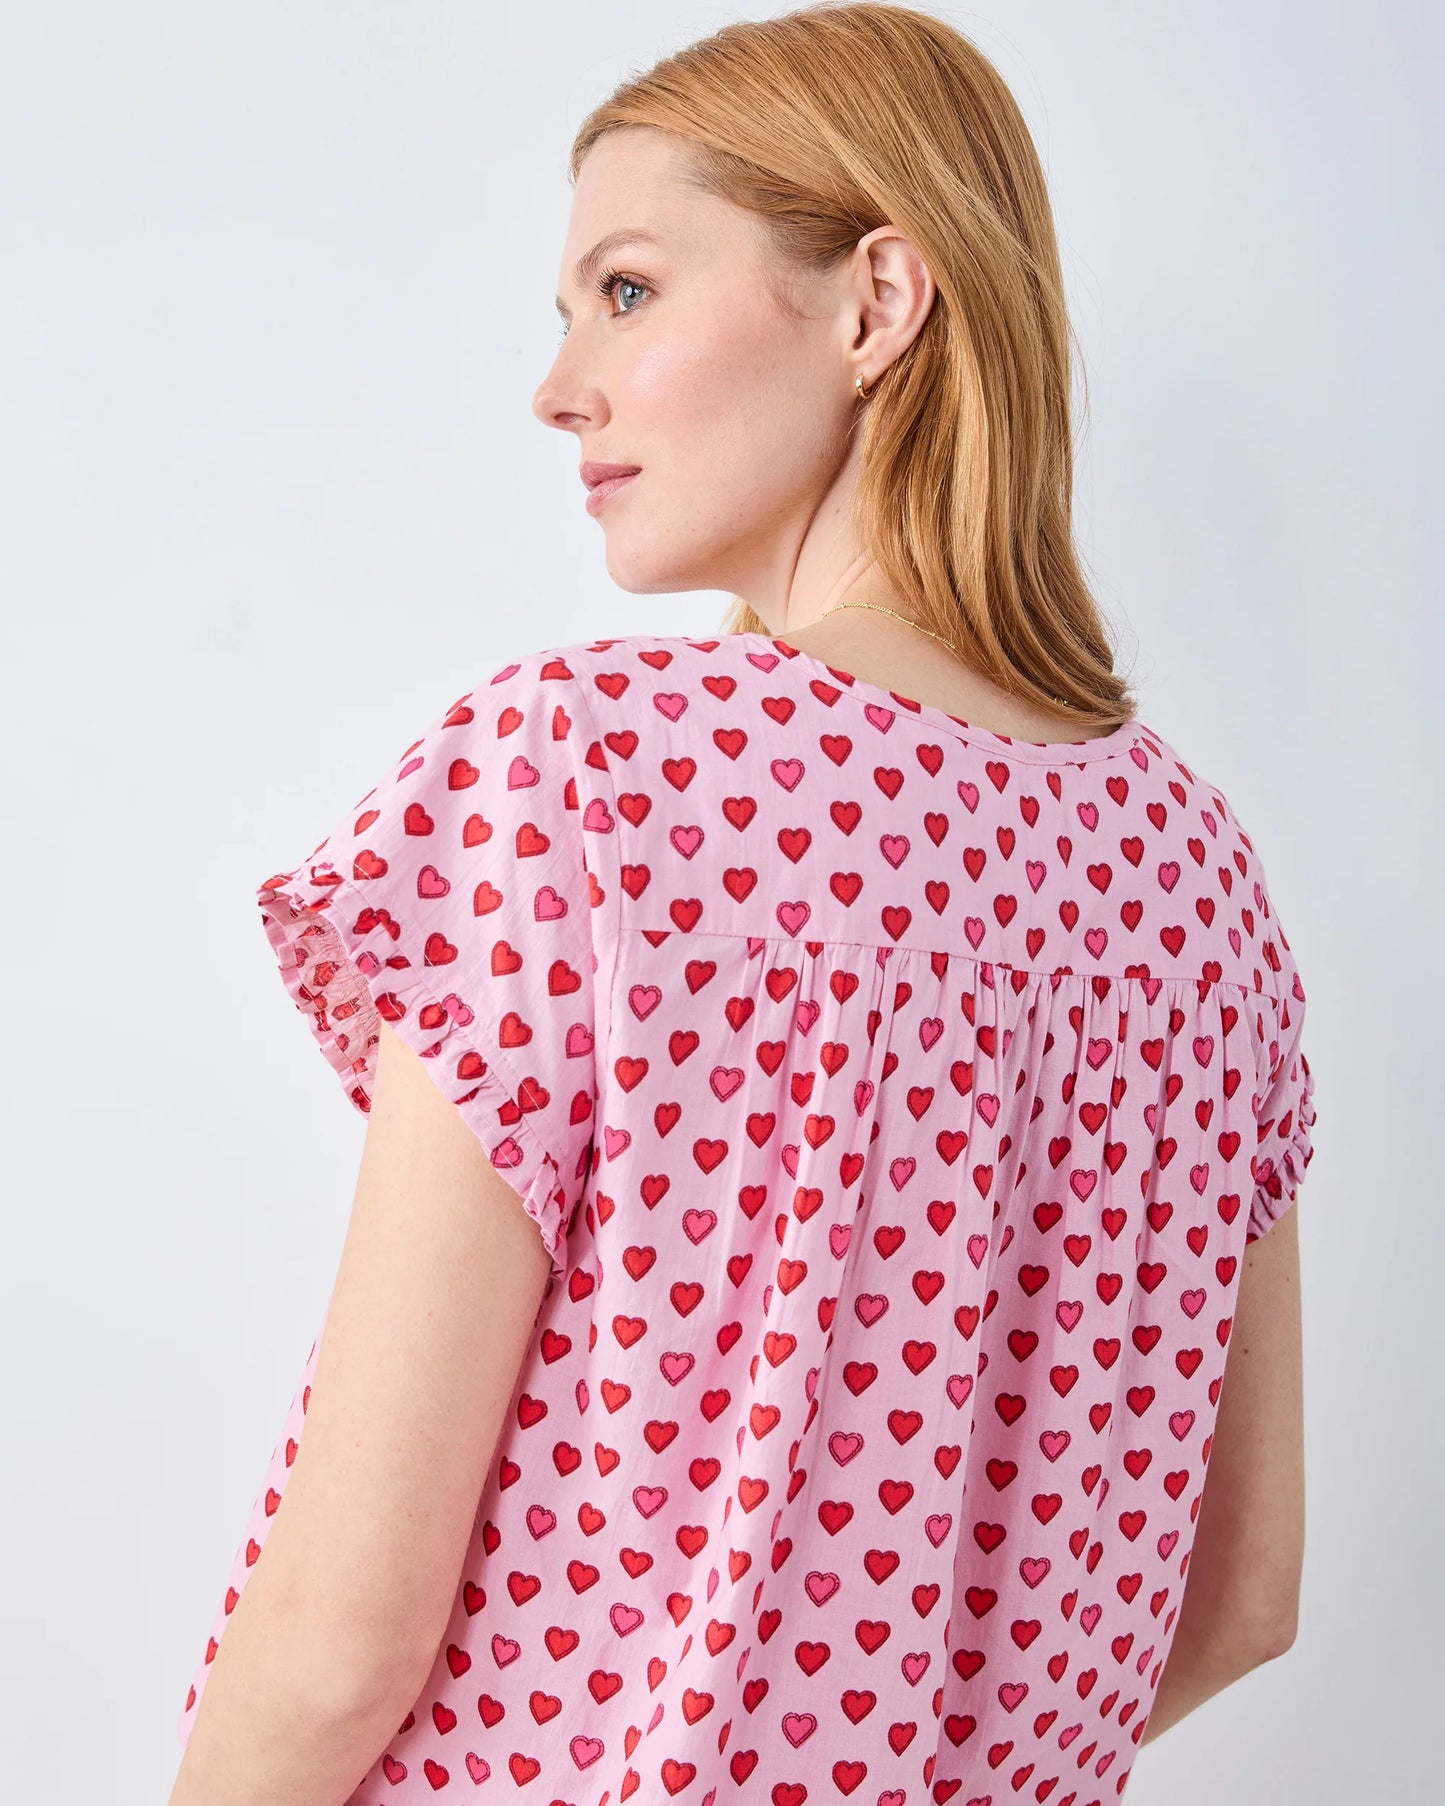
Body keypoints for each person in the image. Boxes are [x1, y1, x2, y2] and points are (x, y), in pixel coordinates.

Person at [170, 6, 1317, 1803]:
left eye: (623, 291)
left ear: (875, 302)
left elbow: (338, 1642)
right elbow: (1242, 1596)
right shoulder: (1197, 882)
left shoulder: (582, 779)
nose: (559, 385)